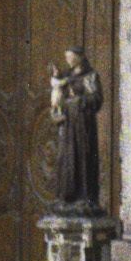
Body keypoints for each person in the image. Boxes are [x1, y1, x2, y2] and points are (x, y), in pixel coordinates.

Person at [49, 46, 104, 213]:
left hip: (83, 126)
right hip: (67, 126)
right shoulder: (66, 77)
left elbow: (96, 98)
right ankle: (66, 197)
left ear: (80, 57)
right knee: (66, 159)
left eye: (71, 57)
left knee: (83, 158)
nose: (68, 60)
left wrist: (80, 101)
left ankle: (85, 198)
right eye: (67, 57)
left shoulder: (90, 76)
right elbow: (58, 97)